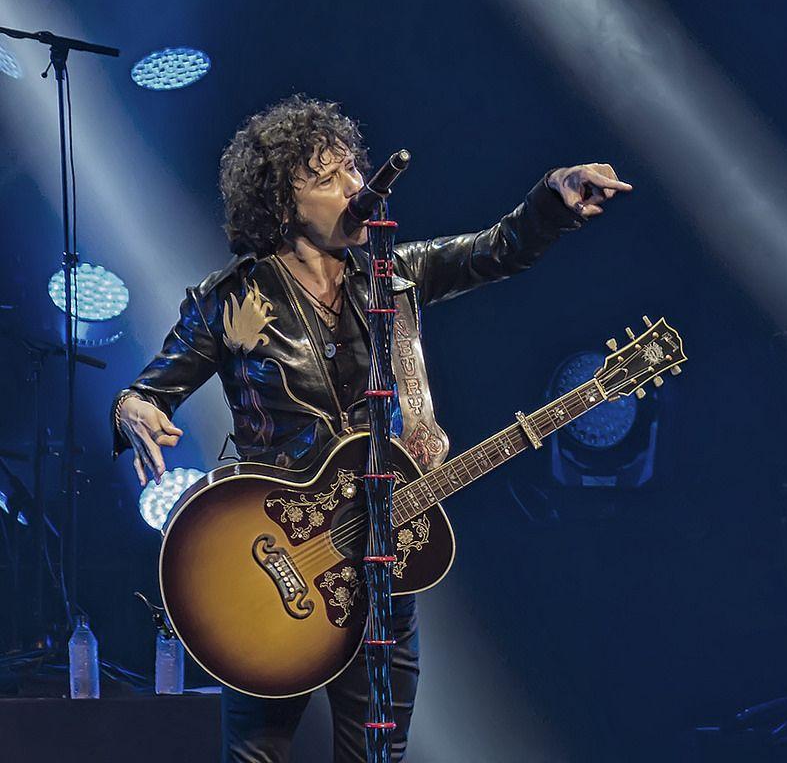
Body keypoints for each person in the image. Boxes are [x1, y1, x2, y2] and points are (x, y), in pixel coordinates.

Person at [111, 94, 631, 762]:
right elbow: (152, 387)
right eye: (327, 177)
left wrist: (551, 203)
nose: (355, 186)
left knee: (376, 754)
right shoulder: (233, 299)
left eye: (353, 169)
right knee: (256, 753)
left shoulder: (394, 279)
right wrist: (134, 407)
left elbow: (492, 251)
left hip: (379, 564)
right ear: (282, 202)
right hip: (268, 557)